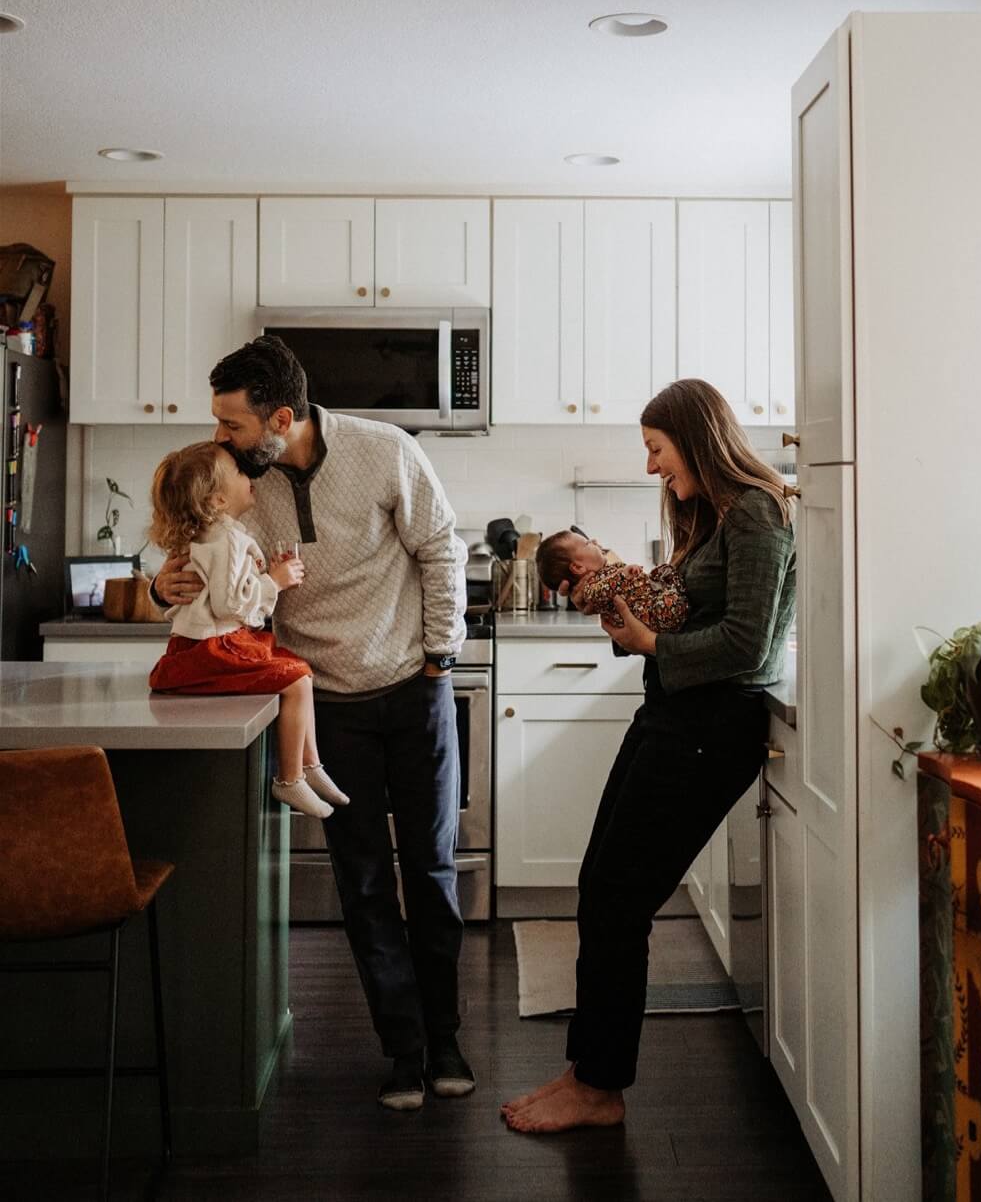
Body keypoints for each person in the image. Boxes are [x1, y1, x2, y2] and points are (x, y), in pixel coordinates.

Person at [152, 336, 471, 1111]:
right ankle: (402, 1047)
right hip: (325, 705)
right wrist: (165, 588)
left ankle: (447, 1034)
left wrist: (440, 653)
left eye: (232, 424)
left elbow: (441, 549)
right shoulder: (238, 487)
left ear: (281, 417)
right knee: (363, 885)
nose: (221, 438)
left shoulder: (384, 451)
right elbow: (197, 575)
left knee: (429, 871)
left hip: (412, 688)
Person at [502, 378, 797, 1134]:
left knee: (618, 896)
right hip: (672, 712)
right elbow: (685, 606)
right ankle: (587, 1070)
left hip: (712, 726)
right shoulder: (711, 515)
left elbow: (748, 645)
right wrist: (629, 617)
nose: (650, 467)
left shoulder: (759, 512)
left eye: (656, 450)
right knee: (600, 884)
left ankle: (599, 1087)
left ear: (697, 439)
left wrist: (650, 643)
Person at [145, 440, 345, 819]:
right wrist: (274, 581)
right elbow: (230, 605)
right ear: (218, 500)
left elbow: (223, 588)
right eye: (239, 472)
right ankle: (291, 779)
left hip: (193, 644)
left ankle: (310, 767)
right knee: (298, 677)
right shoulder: (228, 537)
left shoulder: (207, 534)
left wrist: (260, 573)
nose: (249, 475)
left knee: (292, 667)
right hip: (215, 646)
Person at [535, 528, 690, 633]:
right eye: (588, 543)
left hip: (649, 600)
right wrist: (622, 575)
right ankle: (679, 599)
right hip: (650, 613)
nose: (594, 541)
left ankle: (676, 592)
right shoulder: (591, 588)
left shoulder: (606, 571)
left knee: (664, 571)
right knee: (671, 603)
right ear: (578, 567)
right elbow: (603, 589)